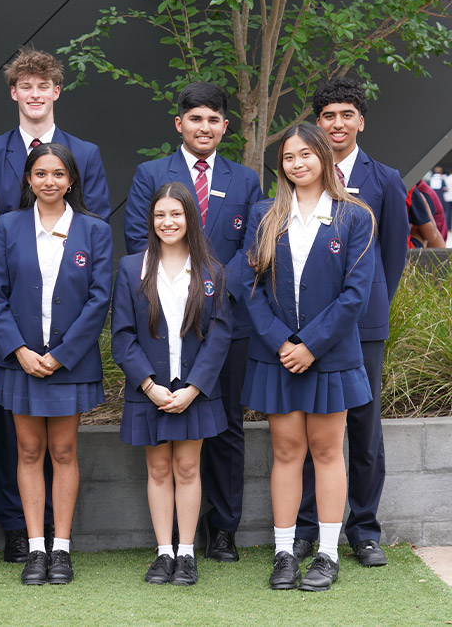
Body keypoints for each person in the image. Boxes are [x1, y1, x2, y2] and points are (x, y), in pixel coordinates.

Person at [0, 48, 110, 562]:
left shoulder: (85, 153)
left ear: (56, 91)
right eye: (24, 86)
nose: (33, 94)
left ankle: (59, 536)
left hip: (67, 312)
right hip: (15, 310)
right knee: (15, 437)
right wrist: (22, 250)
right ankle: (19, 530)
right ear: (14, 92)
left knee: (62, 446)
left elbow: (95, 227)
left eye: (42, 85)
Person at [227, 122, 377, 592]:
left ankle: (328, 555)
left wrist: (311, 345)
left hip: (329, 355)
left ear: (324, 157)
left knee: (328, 452)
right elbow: (249, 285)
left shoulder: (355, 216)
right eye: (289, 157)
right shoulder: (264, 214)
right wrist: (281, 342)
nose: (297, 163)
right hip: (278, 355)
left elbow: (356, 294)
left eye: (305, 154)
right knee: (287, 452)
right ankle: (284, 553)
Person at [120, 82, 263, 563]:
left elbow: (252, 249)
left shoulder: (245, 180)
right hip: (160, 322)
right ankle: (173, 542)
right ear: (179, 123)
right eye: (195, 119)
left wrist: (212, 291)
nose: (204, 127)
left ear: (225, 126)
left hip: (224, 323)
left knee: (226, 426)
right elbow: (138, 240)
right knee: (169, 429)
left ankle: (222, 529)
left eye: (213, 119)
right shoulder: (150, 174)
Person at [0, 142, 112, 586]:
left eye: (58, 174)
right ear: (28, 179)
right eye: (40, 173)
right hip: (20, 361)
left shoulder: (94, 230)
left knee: (63, 451)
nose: (49, 181)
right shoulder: (8, 225)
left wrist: (62, 354)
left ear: (71, 180)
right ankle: (36, 548)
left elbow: (99, 299)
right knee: (28, 451)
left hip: (68, 363)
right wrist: (19, 349)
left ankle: (61, 549)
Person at [299, 78, 405, 567]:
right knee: (309, 425)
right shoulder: (302, 173)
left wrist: (369, 306)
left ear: (361, 121)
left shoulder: (385, 179)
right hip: (308, 325)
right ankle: (305, 528)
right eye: (328, 116)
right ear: (317, 123)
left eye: (346, 115)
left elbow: (391, 257)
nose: (337, 124)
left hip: (363, 326)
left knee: (363, 427)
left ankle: (363, 530)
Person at [113, 183, 235, 587]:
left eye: (176, 214)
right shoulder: (132, 268)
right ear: (151, 220)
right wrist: (149, 386)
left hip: (192, 391)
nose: (167, 222)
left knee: (187, 467)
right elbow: (122, 337)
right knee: (158, 468)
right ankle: (164, 552)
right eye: (160, 215)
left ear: (190, 218)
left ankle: (186, 554)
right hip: (150, 390)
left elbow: (219, 335)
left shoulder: (211, 271)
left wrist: (194, 388)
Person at [406, 179, 447, 249]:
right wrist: (425, 204)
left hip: (386, 244)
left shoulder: (425, 192)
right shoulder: (412, 190)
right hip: (403, 248)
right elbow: (431, 236)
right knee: (420, 230)